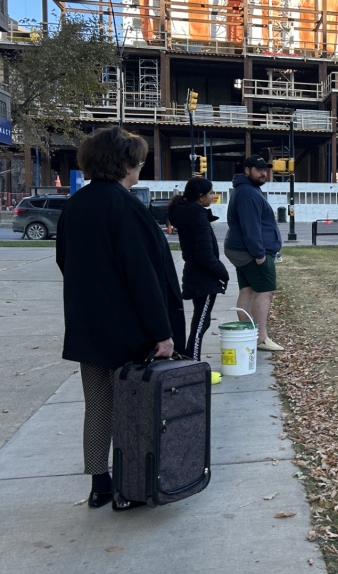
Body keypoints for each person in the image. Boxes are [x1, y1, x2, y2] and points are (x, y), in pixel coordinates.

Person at [56, 126, 185, 511]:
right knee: (134, 408)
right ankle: (131, 485)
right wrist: (162, 333)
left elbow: (64, 260)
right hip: (130, 328)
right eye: (139, 161)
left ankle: (100, 482)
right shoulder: (125, 206)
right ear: (126, 163)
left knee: (98, 404)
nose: (141, 167)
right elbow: (144, 275)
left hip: (87, 322)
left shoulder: (75, 205)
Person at [223, 154, 284, 352]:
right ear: (247, 171)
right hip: (252, 252)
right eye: (258, 170)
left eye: (265, 170)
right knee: (265, 291)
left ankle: (248, 334)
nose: (263, 173)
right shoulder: (248, 193)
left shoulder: (246, 190)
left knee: (247, 290)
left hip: (242, 250)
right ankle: (260, 338)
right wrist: (259, 254)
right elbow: (251, 228)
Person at [168, 177, 229, 361]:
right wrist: (223, 273)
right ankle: (193, 362)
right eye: (211, 193)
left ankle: (190, 359)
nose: (213, 196)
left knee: (201, 320)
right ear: (201, 197)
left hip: (195, 275)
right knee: (200, 324)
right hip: (204, 279)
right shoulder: (198, 218)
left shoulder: (188, 214)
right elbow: (205, 256)